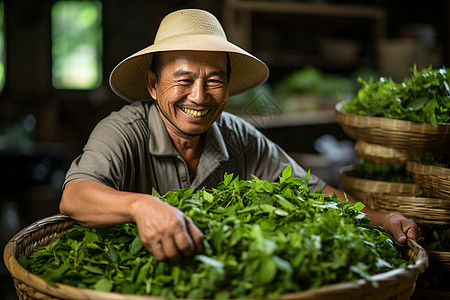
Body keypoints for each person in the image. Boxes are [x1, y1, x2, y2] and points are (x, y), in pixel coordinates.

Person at [60, 8, 419, 262]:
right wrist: (142, 205)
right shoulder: (123, 131)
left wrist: (383, 219)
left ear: (228, 87)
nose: (199, 97)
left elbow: (317, 194)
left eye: (214, 80)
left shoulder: (242, 138)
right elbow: (75, 197)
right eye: (183, 80)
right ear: (153, 85)